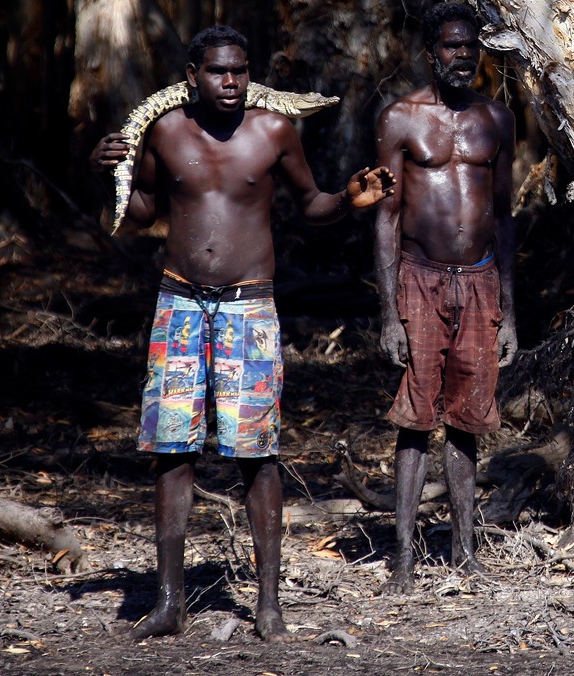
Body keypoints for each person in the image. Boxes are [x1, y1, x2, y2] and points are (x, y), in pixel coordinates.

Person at [89, 25, 395, 641]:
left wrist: (346, 200)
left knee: (258, 454)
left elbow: (309, 203)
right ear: (192, 74)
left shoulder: (273, 131)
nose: (231, 82)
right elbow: (142, 210)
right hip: (178, 303)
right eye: (218, 71)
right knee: (172, 451)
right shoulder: (166, 131)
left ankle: (269, 608)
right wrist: (108, 171)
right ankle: (170, 603)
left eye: (240, 70)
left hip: (248, 310)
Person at [373, 2, 517, 595]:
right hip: (419, 278)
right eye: (453, 47)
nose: (464, 56)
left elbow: (505, 218)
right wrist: (388, 313)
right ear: (432, 52)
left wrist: (510, 311)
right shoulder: (400, 119)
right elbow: (383, 217)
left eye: (472, 46)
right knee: (415, 419)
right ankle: (404, 560)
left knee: (469, 419)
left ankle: (465, 552)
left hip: (481, 279)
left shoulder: (497, 119)